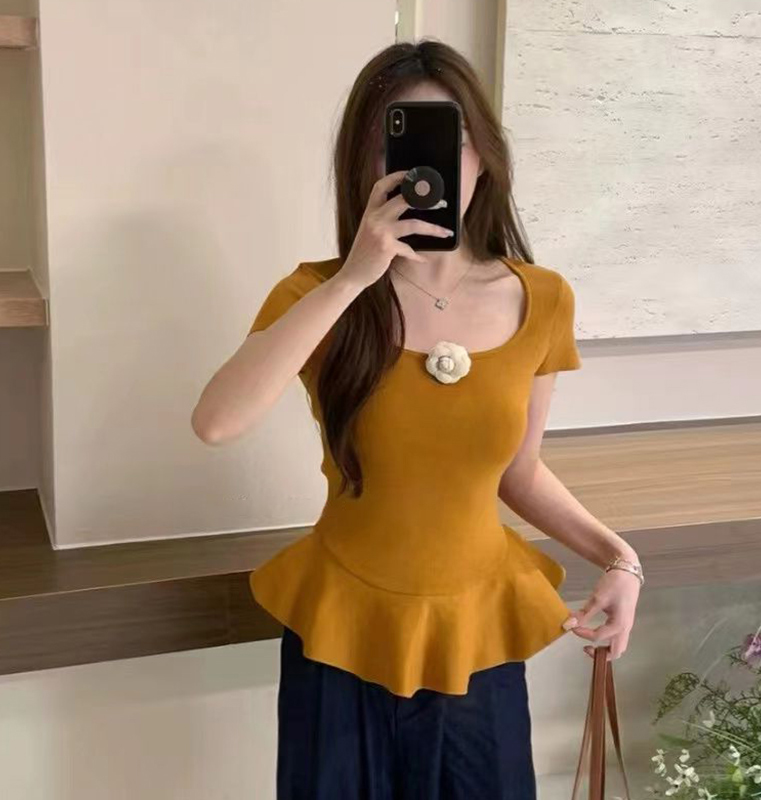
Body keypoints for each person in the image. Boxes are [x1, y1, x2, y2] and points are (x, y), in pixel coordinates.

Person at [192, 38, 643, 800]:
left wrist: (619, 558)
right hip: (340, 634)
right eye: (392, 146)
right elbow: (216, 422)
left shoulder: (542, 301)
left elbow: (518, 472)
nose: (422, 170)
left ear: (483, 157)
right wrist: (354, 278)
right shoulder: (316, 295)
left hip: (476, 636)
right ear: (363, 167)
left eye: (447, 140)